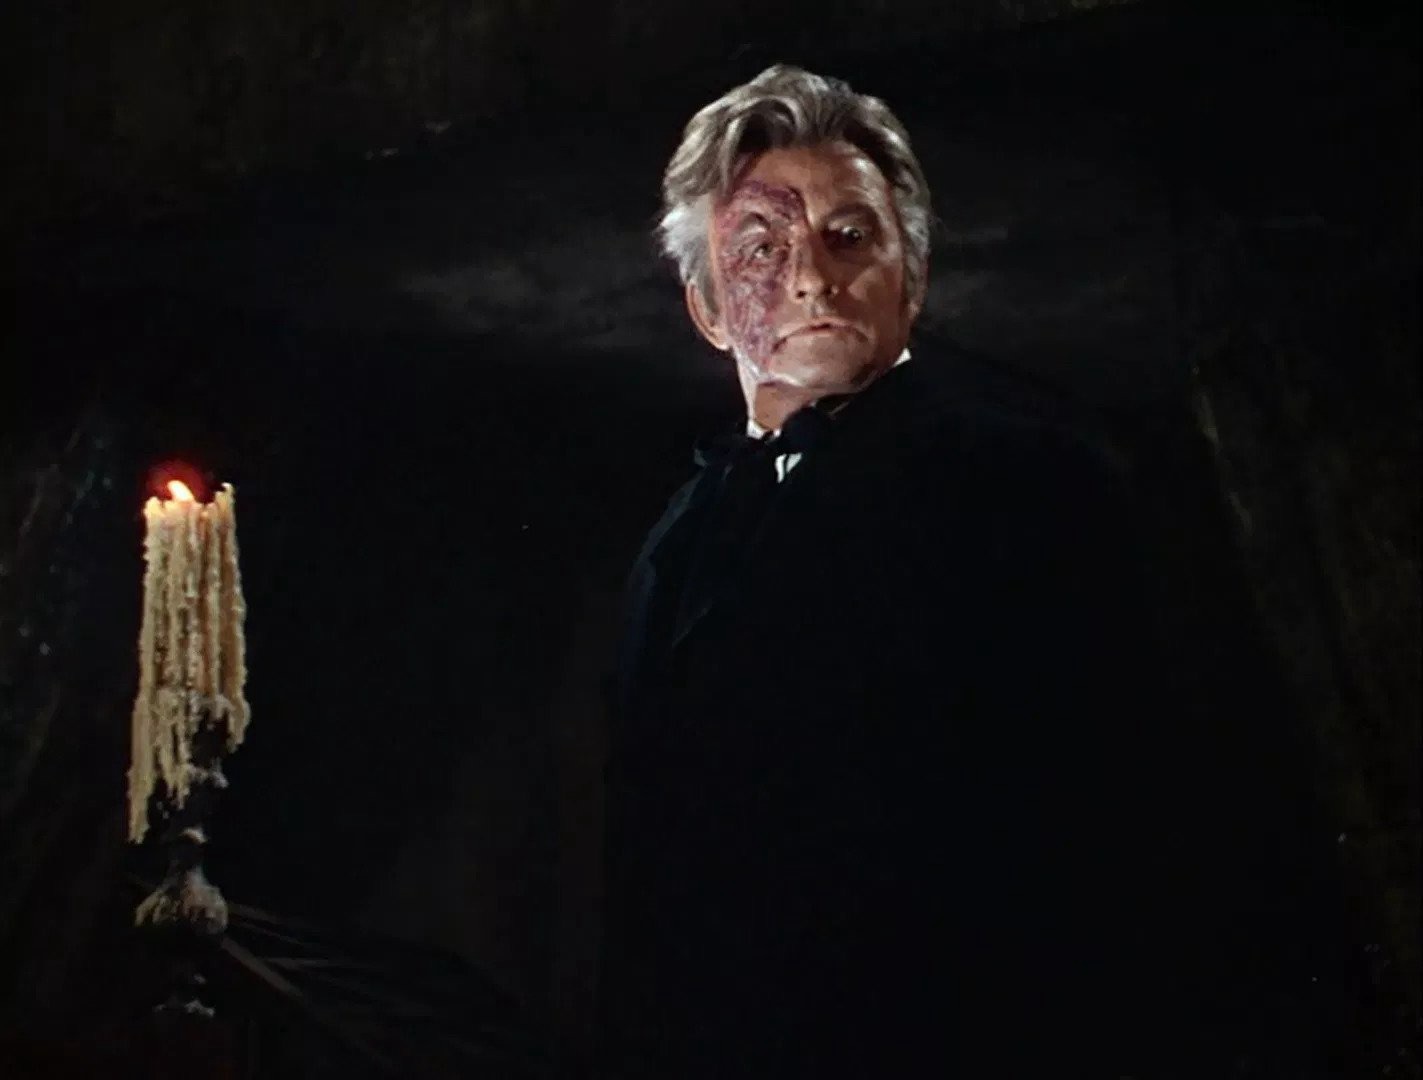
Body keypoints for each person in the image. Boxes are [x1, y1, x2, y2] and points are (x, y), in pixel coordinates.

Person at [598, 65, 1205, 1078]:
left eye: (849, 236)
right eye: (762, 247)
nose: (810, 277)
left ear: (911, 278)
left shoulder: (1031, 483)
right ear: (706, 307)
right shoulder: (679, 536)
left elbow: (1123, 839)